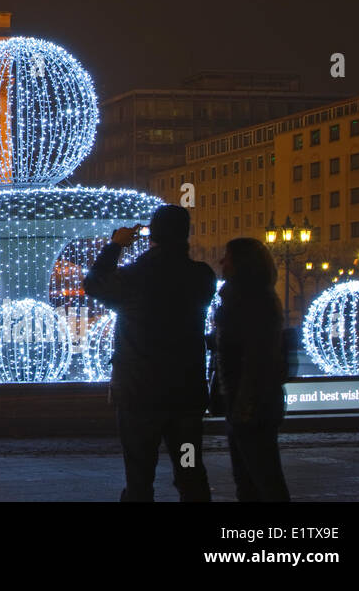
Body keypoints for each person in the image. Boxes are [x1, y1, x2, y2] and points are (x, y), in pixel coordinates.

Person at [84, 203, 216, 501]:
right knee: (190, 470)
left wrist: (115, 245)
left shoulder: (133, 278)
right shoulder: (201, 276)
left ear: (151, 234)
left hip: (139, 396)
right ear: (186, 234)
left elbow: (93, 284)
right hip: (185, 397)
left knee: (140, 475)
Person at [214, 238, 291, 501]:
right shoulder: (245, 297)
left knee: (264, 479)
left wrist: (244, 407)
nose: (222, 261)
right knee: (249, 479)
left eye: (228, 256)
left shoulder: (252, 300)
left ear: (242, 263)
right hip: (245, 402)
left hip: (252, 404)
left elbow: (258, 356)